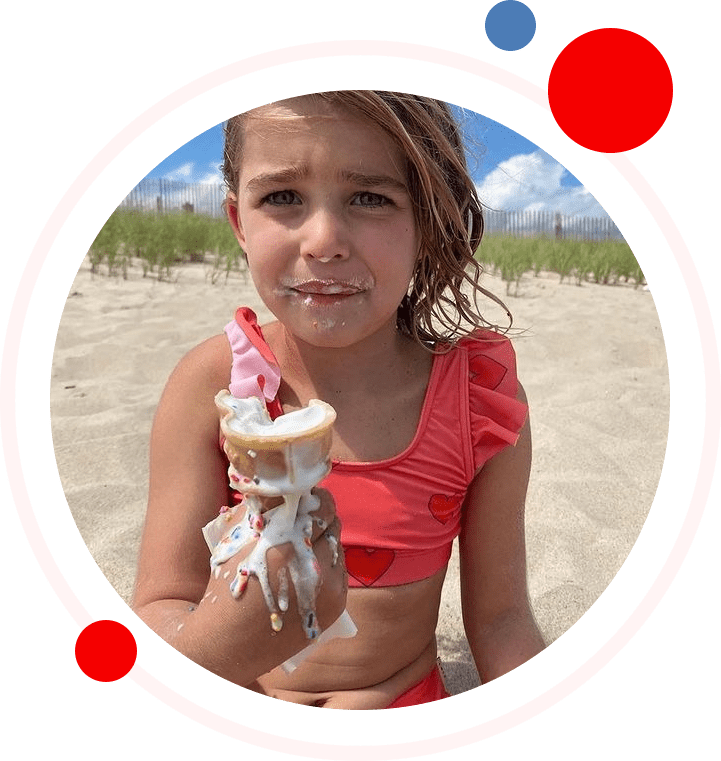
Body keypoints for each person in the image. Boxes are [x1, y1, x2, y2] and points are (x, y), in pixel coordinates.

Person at [132, 90, 546, 709]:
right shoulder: (214, 383)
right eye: (282, 198)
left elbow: (501, 622)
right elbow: (161, 602)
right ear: (239, 222)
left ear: (430, 222)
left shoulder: (477, 398)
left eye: (370, 198)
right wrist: (222, 648)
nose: (324, 240)